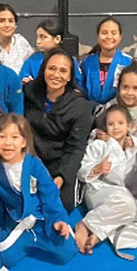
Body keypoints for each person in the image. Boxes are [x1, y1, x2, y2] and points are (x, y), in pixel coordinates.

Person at [0, 114, 76, 268]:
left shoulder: (34, 165)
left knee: (66, 252)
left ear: (24, 142)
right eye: (2, 137)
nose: (8, 143)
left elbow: (50, 197)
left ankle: (37, 240)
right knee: (5, 258)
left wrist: (58, 220)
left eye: (15, 137)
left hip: (41, 218)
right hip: (15, 223)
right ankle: (25, 241)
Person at [75, 105, 137, 259]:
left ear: (129, 126)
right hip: (101, 190)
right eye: (111, 124)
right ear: (105, 127)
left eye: (120, 123)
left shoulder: (134, 147)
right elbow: (81, 171)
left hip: (128, 196)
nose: (116, 127)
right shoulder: (99, 145)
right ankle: (85, 225)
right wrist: (97, 168)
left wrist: (135, 146)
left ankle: (101, 233)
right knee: (126, 202)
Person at [23, 48, 92, 211]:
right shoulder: (28, 93)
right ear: (43, 70)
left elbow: (76, 148)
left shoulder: (80, 106)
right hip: (30, 158)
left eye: (63, 71)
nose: (56, 74)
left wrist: (62, 176)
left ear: (69, 76)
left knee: (60, 205)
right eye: (52, 68)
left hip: (59, 162)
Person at [91, 62, 137, 152]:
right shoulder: (108, 108)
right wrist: (98, 136)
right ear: (118, 86)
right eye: (125, 87)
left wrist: (136, 143)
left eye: (135, 88)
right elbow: (96, 131)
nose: (129, 93)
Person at [80, 17, 132, 106]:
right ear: (98, 36)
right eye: (104, 33)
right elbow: (81, 89)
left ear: (120, 37)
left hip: (120, 110)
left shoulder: (129, 63)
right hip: (90, 111)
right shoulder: (87, 62)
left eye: (113, 33)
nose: (109, 37)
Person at [19, 19, 82, 86]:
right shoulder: (33, 59)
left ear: (57, 39)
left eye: (43, 37)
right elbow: (22, 78)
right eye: (37, 37)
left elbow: (77, 83)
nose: (38, 41)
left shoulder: (69, 60)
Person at [0, 3, 35, 74]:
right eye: (2, 21)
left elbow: (31, 65)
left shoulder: (21, 41)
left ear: (15, 25)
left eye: (11, 21)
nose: (7, 25)